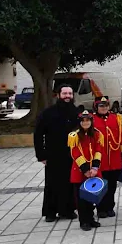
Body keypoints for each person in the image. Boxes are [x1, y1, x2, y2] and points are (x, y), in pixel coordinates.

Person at [34, 84, 79, 222]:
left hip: (72, 155)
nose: (67, 96)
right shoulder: (48, 113)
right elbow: (38, 134)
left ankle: (67, 210)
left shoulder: (77, 112)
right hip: (53, 155)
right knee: (52, 184)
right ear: (58, 95)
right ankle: (50, 212)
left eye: (70, 94)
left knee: (69, 183)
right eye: (64, 93)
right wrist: (41, 155)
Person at [91, 96, 122, 218]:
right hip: (100, 159)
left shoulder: (116, 118)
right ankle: (100, 208)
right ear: (96, 107)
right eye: (101, 105)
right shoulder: (91, 120)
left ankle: (110, 206)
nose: (104, 107)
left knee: (112, 185)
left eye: (106, 105)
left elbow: (121, 136)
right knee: (100, 184)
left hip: (115, 157)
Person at [68, 110, 104, 231]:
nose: (85, 122)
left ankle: (91, 219)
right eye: (83, 121)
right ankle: (83, 221)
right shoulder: (74, 136)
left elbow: (99, 150)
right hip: (80, 171)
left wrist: (94, 167)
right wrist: (85, 170)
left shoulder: (97, 134)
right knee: (81, 198)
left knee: (91, 196)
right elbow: (75, 153)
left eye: (88, 120)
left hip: (93, 170)